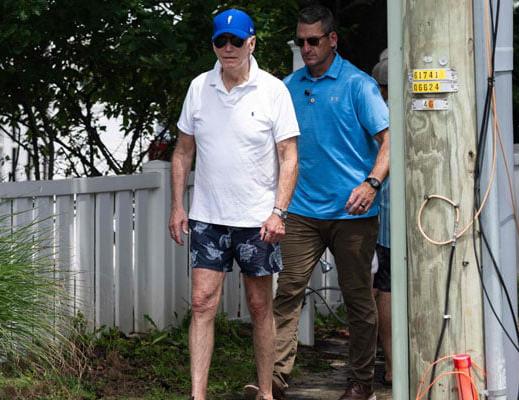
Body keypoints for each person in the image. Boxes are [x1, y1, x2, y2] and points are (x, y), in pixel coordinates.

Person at [168, 8, 299, 400]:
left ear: (251, 43)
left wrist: (278, 212)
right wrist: (177, 206)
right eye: (221, 41)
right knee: (201, 303)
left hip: (258, 221)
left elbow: (289, 156)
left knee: (259, 306)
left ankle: (266, 392)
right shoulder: (199, 88)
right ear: (213, 45)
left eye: (237, 41)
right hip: (208, 218)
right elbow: (182, 152)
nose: (229, 48)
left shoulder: (273, 90)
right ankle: (198, 395)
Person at [271, 5, 389, 400]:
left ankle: (360, 382)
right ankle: (274, 380)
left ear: (332, 39)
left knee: (357, 298)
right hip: (301, 211)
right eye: (301, 41)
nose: (306, 48)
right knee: (287, 293)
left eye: (314, 40)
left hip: (352, 213)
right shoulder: (287, 87)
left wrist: (372, 183)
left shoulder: (359, 85)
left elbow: (389, 140)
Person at [371, 52, 392, 386]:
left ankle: (390, 364)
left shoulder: (375, 114)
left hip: (379, 215)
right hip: (416, 216)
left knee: (382, 287)